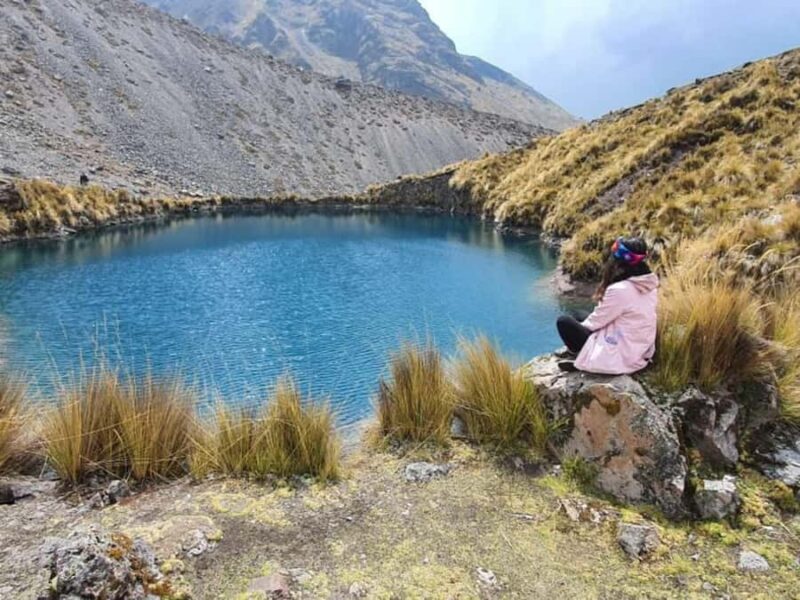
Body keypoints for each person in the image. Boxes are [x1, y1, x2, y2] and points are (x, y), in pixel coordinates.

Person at [555, 236, 659, 374]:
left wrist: (579, 332)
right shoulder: (648, 285)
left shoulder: (620, 290)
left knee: (564, 322)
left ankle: (578, 354)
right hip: (638, 348)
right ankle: (578, 350)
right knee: (576, 315)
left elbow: (596, 322)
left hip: (621, 353)